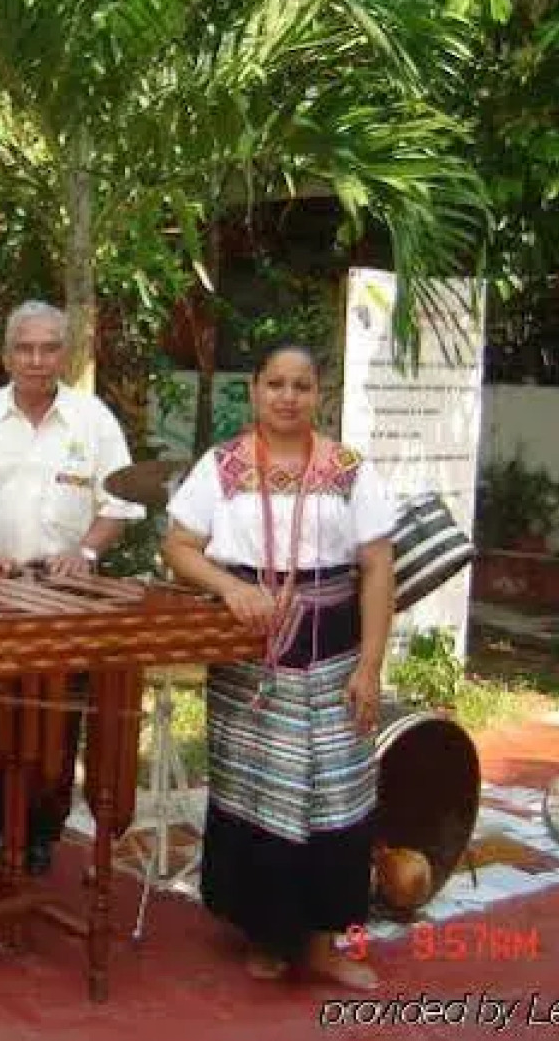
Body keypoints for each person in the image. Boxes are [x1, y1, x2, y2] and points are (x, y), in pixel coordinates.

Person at [159, 341, 395, 990]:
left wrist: (370, 666)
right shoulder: (223, 466)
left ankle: (321, 945)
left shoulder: (348, 470)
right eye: (275, 384)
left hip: (334, 655)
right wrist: (228, 586)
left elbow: (377, 567)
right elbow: (178, 546)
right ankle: (265, 935)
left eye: (301, 386)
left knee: (336, 797)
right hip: (250, 659)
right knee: (259, 795)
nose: (287, 397)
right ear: (254, 390)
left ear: (319, 394)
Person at [0, 300, 144, 875]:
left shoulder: (94, 419)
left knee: (56, 720)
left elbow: (120, 503)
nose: (36, 360)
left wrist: (85, 552)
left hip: (65, 597)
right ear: (6, 354)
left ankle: (42, 832)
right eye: (25, 348)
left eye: (48, 349)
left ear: (65, 354)